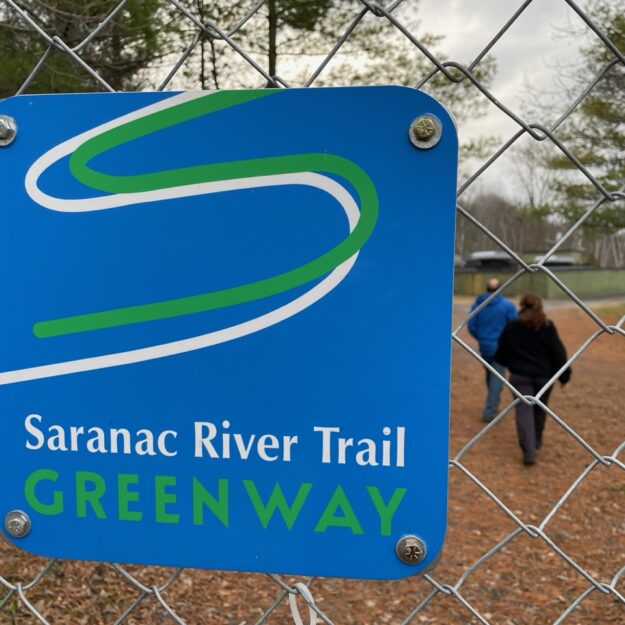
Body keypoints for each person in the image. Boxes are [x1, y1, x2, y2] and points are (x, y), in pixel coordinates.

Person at [495, 293, 571, 465]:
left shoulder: (512, 327)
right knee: (539, 410)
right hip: (544, 378)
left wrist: (509, 364)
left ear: (521, 306)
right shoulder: (548, 327)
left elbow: (501, 353)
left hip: (519, 376)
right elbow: (559, 354)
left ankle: (529, 451)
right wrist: (564, 378)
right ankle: (535, 442)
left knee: (523, 411)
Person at [468, 278, 518, 422]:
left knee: (490, 375)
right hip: (501, 349)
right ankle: (490, 411)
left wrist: (482, 337)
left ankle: (492, 404)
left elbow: (471, 326)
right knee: (497, 379)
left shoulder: (478, 305)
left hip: (484, 347)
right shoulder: (507, 306)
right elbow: (514, 326)